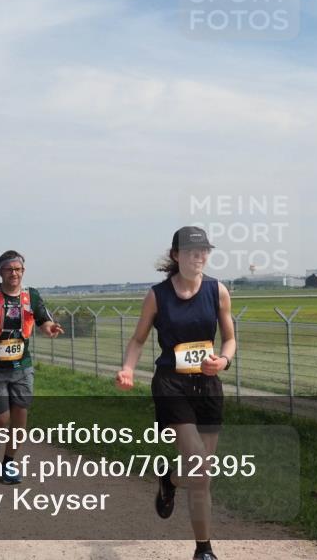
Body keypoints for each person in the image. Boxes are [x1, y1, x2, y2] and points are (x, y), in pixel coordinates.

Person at [115, 226, 236, 560]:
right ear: (176, 255)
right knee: (198, 462)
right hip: (171, 384)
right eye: (192, 251)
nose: (199, 257)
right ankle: (205, 552)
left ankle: (169, 480)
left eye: (204, 251)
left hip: (207, 385)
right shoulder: (158, 295)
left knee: (202, 474)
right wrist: (128, 368)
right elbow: (139, 339)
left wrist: (223, 360)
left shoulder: (218, 291)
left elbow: (229, 338)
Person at [0, 250, 63, 484]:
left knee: (20, 418)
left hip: (22, 367)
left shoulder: (32, 296)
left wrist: (49, 328)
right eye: (9, 269)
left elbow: (43, 320)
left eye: (17, 269)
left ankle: (8, 464)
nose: (14, 273)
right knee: (0, 418)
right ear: (0, 272)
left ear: (23, 271)